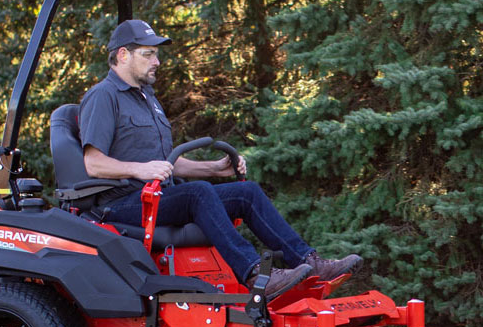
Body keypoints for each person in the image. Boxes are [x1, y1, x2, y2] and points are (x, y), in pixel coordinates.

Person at [78, 19, 361, 299]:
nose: (157, 62)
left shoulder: (147, 99)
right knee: (197, 193)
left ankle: (309, 262)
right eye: (148, 54)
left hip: (159, 196)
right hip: (122, 204)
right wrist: (140, 170)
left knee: (246, 192)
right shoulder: (103, 96)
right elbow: (93, 164)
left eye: (157, 54)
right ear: (123, 55)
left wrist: (214, 168)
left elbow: (166, 164)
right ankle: (253, 274)